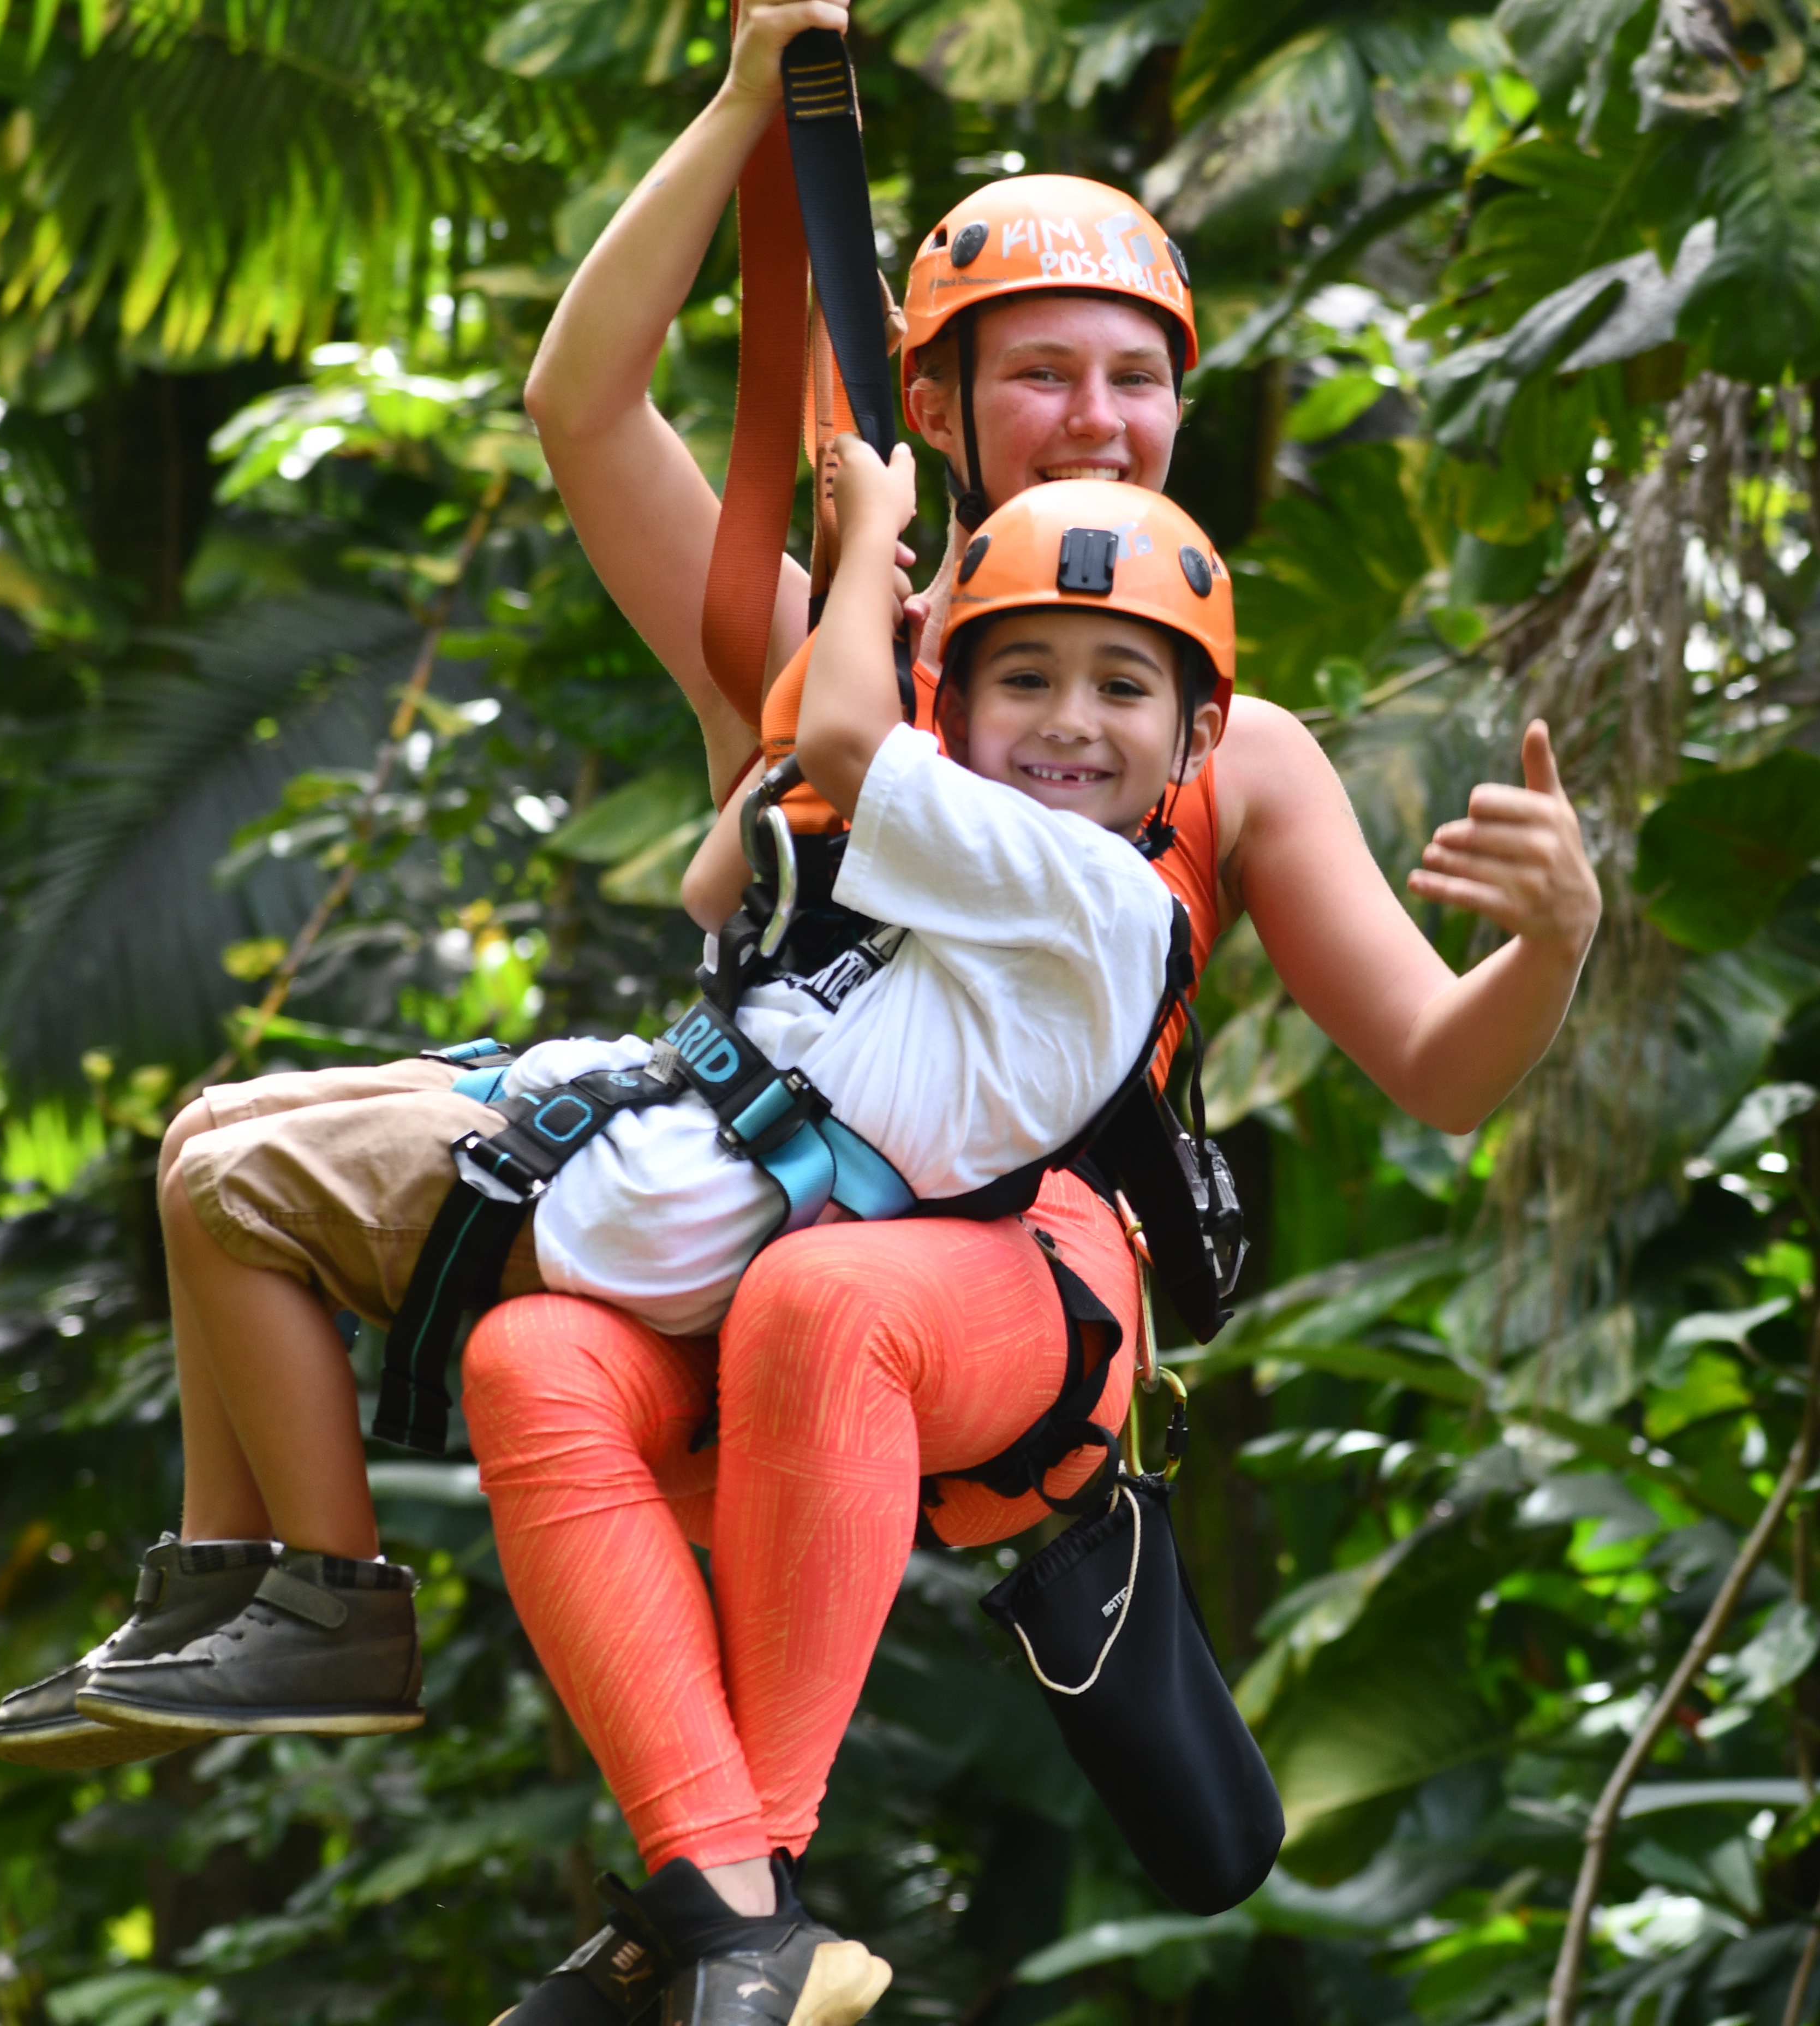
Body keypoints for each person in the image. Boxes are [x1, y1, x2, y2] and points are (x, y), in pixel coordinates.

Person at [474, 7, 1603, 2022]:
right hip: (757, 1215)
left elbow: (1439, 1072)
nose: (1094, 416)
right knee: (537, 1355)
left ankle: (762, 1882)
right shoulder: (827, 652)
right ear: (940, 399)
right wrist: (750, 106)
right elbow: (583, 406)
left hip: (1010, 1275)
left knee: (833, 1311)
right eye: (1042, 373)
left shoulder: (1224, 747)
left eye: (1136, 380)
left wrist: (1552, 946)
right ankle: (709, 1902)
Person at [0, 461, 1228, 1811]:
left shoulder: (1094, 892)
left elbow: (858, 749)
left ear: (1194, 741)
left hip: (688, 1196)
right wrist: (862, 640)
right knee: (204, 1132)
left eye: (1121, 689)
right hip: (656, 1109)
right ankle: (214, 1577)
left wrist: (870, 546)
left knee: (233, 1190)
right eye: (1027, 680)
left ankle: (334, 1601)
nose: (1069, 723)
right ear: (961, 700)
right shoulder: (967, 859)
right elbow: (726, 869)